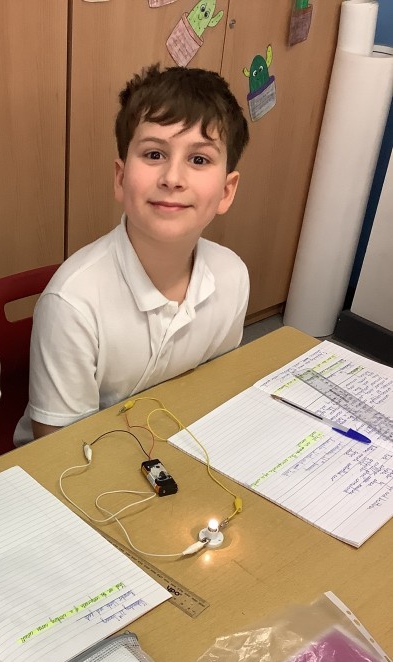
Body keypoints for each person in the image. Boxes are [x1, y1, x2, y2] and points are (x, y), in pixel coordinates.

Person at [15, 64, 250, 445]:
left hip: (174, 442)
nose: (173, 178)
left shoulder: (232, 276)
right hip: (81, 463)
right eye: (154, 154)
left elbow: (214, 391)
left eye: (199, 159)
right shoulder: (73, 304)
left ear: (226, 191)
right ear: (121, 179)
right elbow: (61, 454)